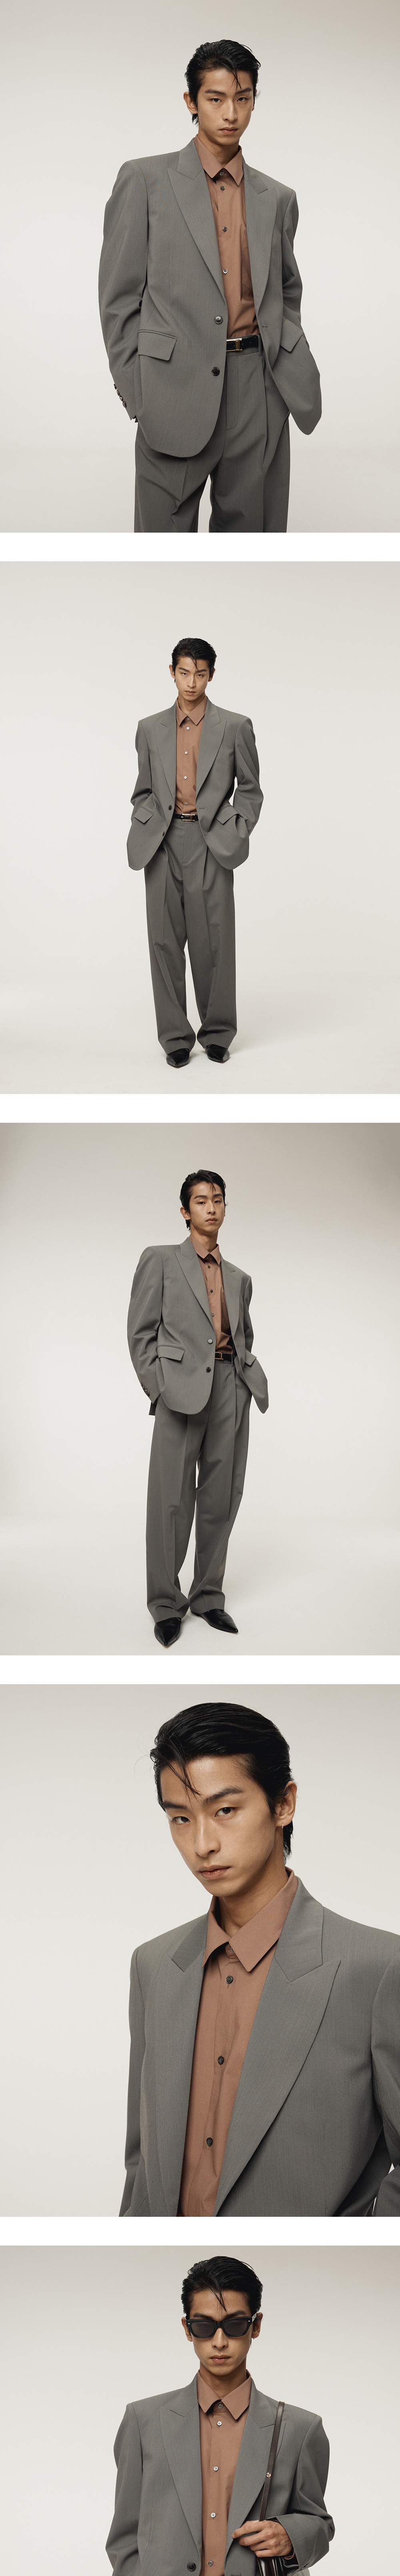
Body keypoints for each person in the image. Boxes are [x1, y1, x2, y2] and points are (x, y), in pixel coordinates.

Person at [119, 1700, 400, 2217]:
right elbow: (141, 2167)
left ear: (283, 1804)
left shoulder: (380, 1968)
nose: (202, 1843)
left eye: (225, 1810)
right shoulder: (153, 1966)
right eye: (180, 1818)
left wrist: (359, 2242)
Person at [106, 2251, 334, 2576]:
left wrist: (289, 2533)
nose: (220, 2341)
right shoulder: (144, 2421)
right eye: (204, 2326)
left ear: (257, 2325)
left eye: (234, 2325)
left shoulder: (299, 2428)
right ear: (186, 2328)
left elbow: (319, 2522)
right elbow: (125, 2538)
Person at [99, 38, 321, 534]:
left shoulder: (278, 198)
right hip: (172, 390)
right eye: (216, 99)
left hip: (258, 389)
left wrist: (279, 374)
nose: (230, 113)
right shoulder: (144, 181)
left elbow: (287, 293)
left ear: (254, 101)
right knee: (162, 549)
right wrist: (139, 393)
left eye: (242, 99)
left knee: (252, 548)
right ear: (191, 101)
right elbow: (118, 299)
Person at [127, 1171, 268, 1644]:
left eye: (218, 1200)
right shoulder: (161, 1260)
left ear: (225, 1208)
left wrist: (242, 1384)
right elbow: (140, 1332)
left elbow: (243, 1336)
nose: (211, 1207)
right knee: (170, 1500)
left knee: (221, 1497)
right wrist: (159, 1387)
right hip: (180, 1392)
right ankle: (166, 1603)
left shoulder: (240, 1278)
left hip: (230, 1388)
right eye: (201, 1201)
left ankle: (208, 1595)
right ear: (185, 1211)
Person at [127, 637, 262, 1066]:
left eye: (200, 674)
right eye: (184, 672)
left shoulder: (235, 726)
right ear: (172, 672)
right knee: (164, 942)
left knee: (214, 942)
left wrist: (236, 829)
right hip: (162, 844)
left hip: (211, 843)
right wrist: (146, 823)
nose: (191, 682)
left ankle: (218, 1033)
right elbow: (143, 791)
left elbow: (251, 790)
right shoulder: (150, 728)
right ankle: (175, 1038)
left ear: (211, 675)